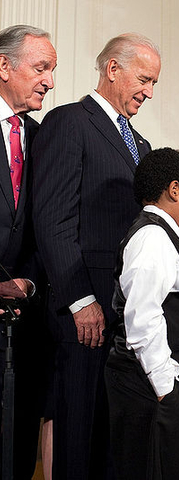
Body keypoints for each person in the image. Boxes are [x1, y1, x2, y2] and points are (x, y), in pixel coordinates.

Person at [32, 33, 161, 480]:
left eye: (153, 83)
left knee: (113, 439)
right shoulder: (68, 122)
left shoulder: (140, 146)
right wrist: (80, 299)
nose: (148, 91)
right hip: (82, 313)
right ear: (112, 69)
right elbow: (53, 219)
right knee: (79, 435)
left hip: (124, 314)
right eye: (144, 79)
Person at [105, 148, 179, 480]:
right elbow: (143, 318)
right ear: (175, 189)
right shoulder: (153, 237)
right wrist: (168, 388)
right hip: (153, 391)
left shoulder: (162, 235)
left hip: (163, 389)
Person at [0, 24, 56, 479]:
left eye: (51, 70)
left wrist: (30, 280)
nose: (50, 81)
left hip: (27, 320)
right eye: (41, 68)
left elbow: (50, 226)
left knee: (18, 446)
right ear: (4, 66)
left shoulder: (43, 139)